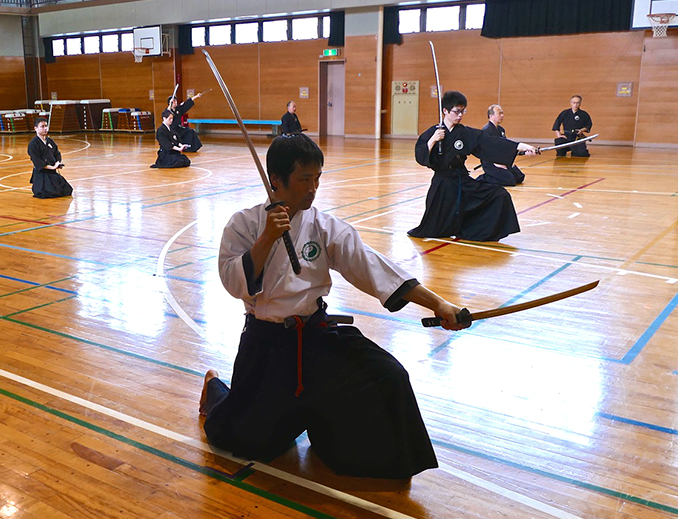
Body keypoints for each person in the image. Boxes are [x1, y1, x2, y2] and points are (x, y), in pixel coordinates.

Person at [200, 133, 471, 479]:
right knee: (249, 442)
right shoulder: (244, 224)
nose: (313, 189)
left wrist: (438, 303)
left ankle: (326, 429)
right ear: (276, 181)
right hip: (266, 344)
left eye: (318, 178)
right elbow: (233, 282)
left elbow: (372, 267)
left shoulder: (324, 227)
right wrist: (267, 237)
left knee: (388, 376)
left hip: (315, 337)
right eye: (304, 179)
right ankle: (214, 389)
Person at [408, 91, 538, 242]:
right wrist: (433, 140)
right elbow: (421, 157)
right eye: (456, 111)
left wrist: (521, 147)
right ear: (445, 111)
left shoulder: (464, 132)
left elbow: (490, 143)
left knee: (499, 194)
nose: (460, 115)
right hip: (442, 186)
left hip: (462, 181)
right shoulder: (432, 132)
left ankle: (476, 231)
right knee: (434, 228)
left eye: (462, 111)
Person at [476, 105, 525, 186]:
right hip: (490, 164)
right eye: (499, 113)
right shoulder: (486, 131)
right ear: (491, 116)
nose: (502, 116)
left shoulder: (501, 130)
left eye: (502, 113)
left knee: (520, 177)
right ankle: (484, 178)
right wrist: (496, 164)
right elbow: (484, 151)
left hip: (501, 161)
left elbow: (504, 147)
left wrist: (509, 162)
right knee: (510, 181)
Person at [27, 117, 73, 199]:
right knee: (50, 193)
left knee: (67, 190)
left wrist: (57, 163)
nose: (45, 128)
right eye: (42, 126)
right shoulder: (33, 144)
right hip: (42, 174)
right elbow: (37, 162)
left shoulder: (50, 141)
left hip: (52, 173)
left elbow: (57, 154)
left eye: (46, 126)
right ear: (35, 128)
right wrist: (51, 167)